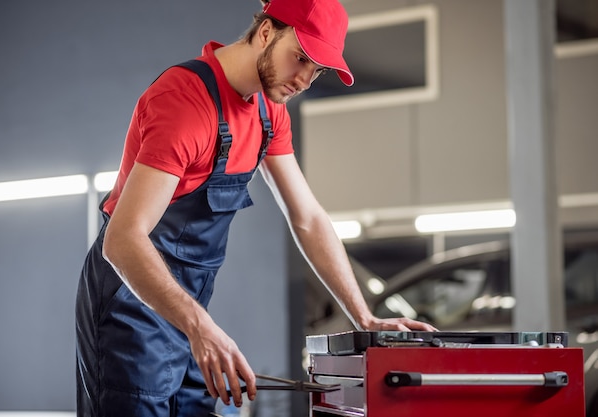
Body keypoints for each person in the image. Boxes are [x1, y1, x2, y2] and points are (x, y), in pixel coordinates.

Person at [75, 0, 436, 415]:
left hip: (186, 308)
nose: (304, 79)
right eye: (300, 58)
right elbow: (122, 241)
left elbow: (308, 217)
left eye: (317, 70)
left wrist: (364, 318)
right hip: (129, 302)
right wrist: (202, 328)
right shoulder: (185, 102)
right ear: (265, 32)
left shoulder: (269, 111)